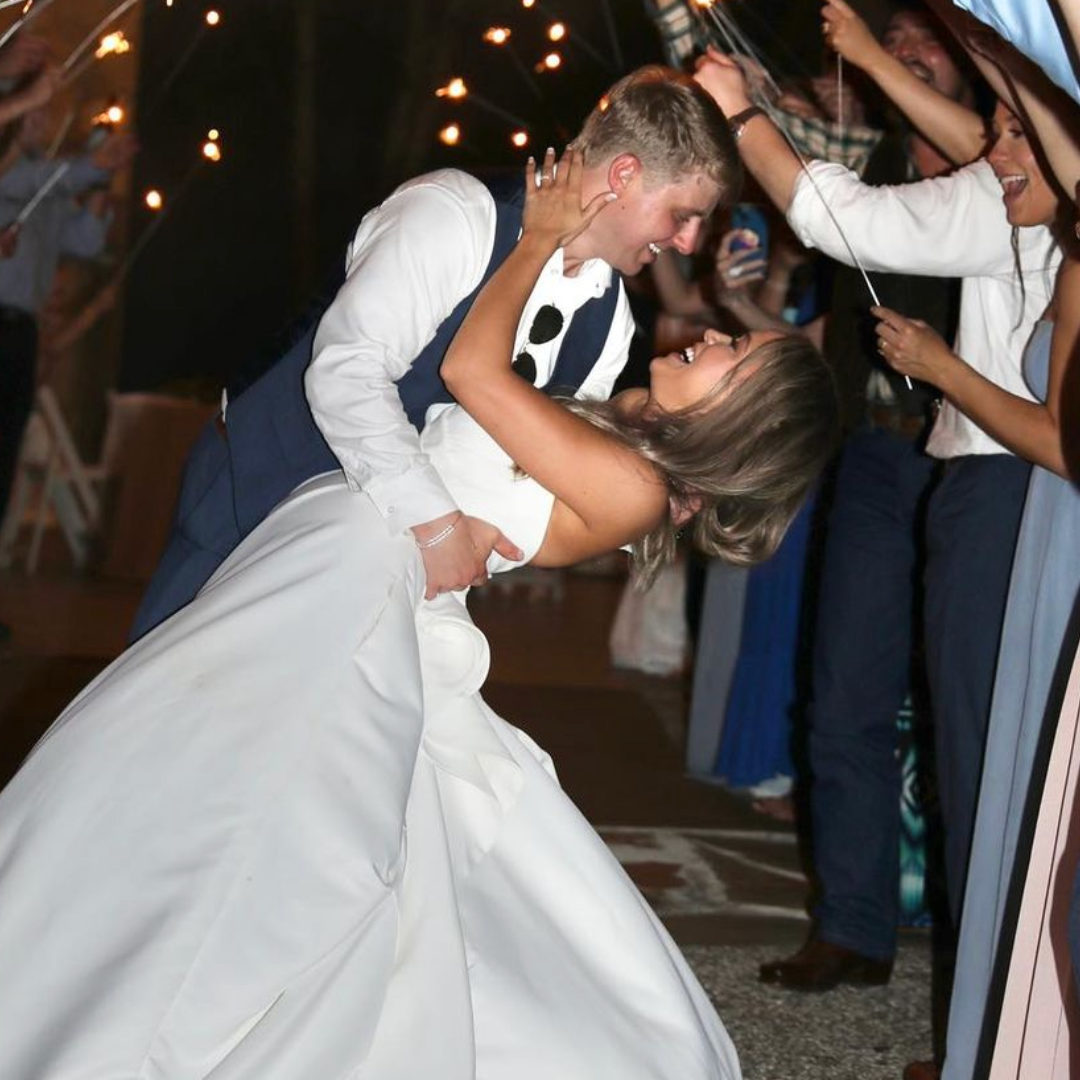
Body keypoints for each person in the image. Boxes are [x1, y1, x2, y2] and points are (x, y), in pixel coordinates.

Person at [0, 148, 839, 1079]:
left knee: (248, 812)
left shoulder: (637, 484)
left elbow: (474, 369)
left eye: (733, 357)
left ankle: (143, 1023)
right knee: (198, 773)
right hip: (345, 547)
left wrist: (541, 239)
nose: (714, 338)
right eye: (732, 337)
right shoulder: (629, 430)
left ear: (741, 417)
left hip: (365, 578)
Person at [129, 64, 742, 640]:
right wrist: (436, 521)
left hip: (375, 582)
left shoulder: (612, 325)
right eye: (684, 215)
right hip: (256, 500)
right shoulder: (455, 214)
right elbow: (347, 371)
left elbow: (528, 475)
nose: (688, 243)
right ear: (625, 175)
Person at [696, 6, 986, 995]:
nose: (907, 53)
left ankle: (978, 942)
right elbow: (827, 341)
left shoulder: (999, 171)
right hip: (875, 458)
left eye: (927, 42)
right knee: (843, 697)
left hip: (984, 464)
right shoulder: (867, 178)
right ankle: (854, 928)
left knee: (969, 714)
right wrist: (738, 315)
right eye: (893, 41)